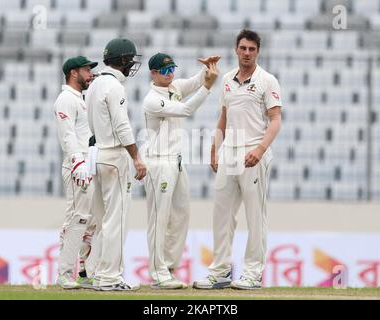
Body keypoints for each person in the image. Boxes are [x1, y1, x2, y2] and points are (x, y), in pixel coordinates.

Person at [193, 29, 283, 290]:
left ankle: (253, 272)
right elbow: (224, 115)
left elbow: (276, 121)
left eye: (251, 49)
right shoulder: (228, 79)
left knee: (255, 217)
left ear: (258, 51)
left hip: (253, 153)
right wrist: (214, 148)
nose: (246, 53)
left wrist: (261, 149)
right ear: (236, 49)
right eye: (243, 48)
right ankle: (220, 272)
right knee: (221, 216)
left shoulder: (267, 80)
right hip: (229, 154)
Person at [142, 53, 220, 289]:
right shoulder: (152, 99)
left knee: (180, 216)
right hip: (158, 162)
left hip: (176, 162)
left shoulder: (173, 86)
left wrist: (207, 70)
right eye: (165, 71)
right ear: (153, 74)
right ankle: (157, 272)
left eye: (172, 69)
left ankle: (168, 268)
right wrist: (207, 88)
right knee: (160, 219)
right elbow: (185, 109)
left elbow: (195, 81)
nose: (170, 75)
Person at [85, 38, 147, 291]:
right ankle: (111, 278)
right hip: (113, 156)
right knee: (117, 220)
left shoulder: (95, 83)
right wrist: (136, 157)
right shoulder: (114, 86)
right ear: (122, 60)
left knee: (103, 220)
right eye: (130, 59)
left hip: (98, 154)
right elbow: (122, 125)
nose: (132, 63)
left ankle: (100, 274)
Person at [54, 56, 98, 289]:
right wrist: (77, 162)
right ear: (73, 73)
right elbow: (67, 134)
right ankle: (64, 274)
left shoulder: (80, 99)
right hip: (76, 167)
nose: (90, 74)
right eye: (86, 70)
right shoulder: (65, 99)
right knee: (76, 219)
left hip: (86, 164)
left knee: (89, 222)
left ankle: (82, 272)